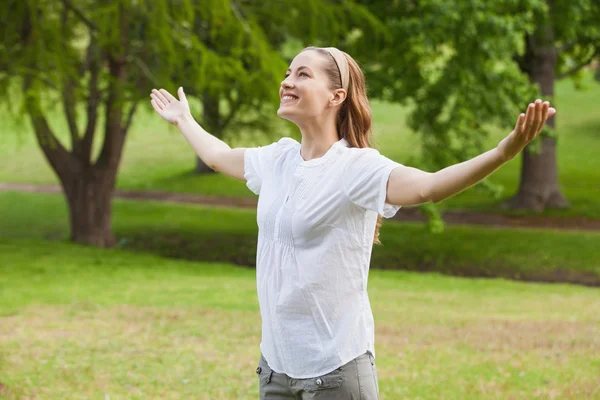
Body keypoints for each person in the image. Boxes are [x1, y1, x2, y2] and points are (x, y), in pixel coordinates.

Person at [150, 46, 555, 400]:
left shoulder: (355, 168)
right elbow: (219, 155)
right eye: (288, 72)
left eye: (302, 74)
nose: (287, 81)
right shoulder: (278, 159)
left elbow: (428, 188)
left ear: (336, 96)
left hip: (335, 371)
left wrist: (503, 152)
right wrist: (184, 120)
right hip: (276, 368)